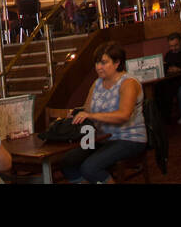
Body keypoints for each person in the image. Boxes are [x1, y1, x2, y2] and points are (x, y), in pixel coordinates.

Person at [58, 42, 148, 183]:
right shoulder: (97, 83)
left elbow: (124, 115)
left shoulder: (128, 83)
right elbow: (87, 109)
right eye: (97, 63)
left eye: (104, 63)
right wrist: (74, 114)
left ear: (117, 63)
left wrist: (91, 115)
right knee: (67, 162)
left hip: (129, 138)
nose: (98, 67)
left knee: (90, 167)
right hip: (102, 138)